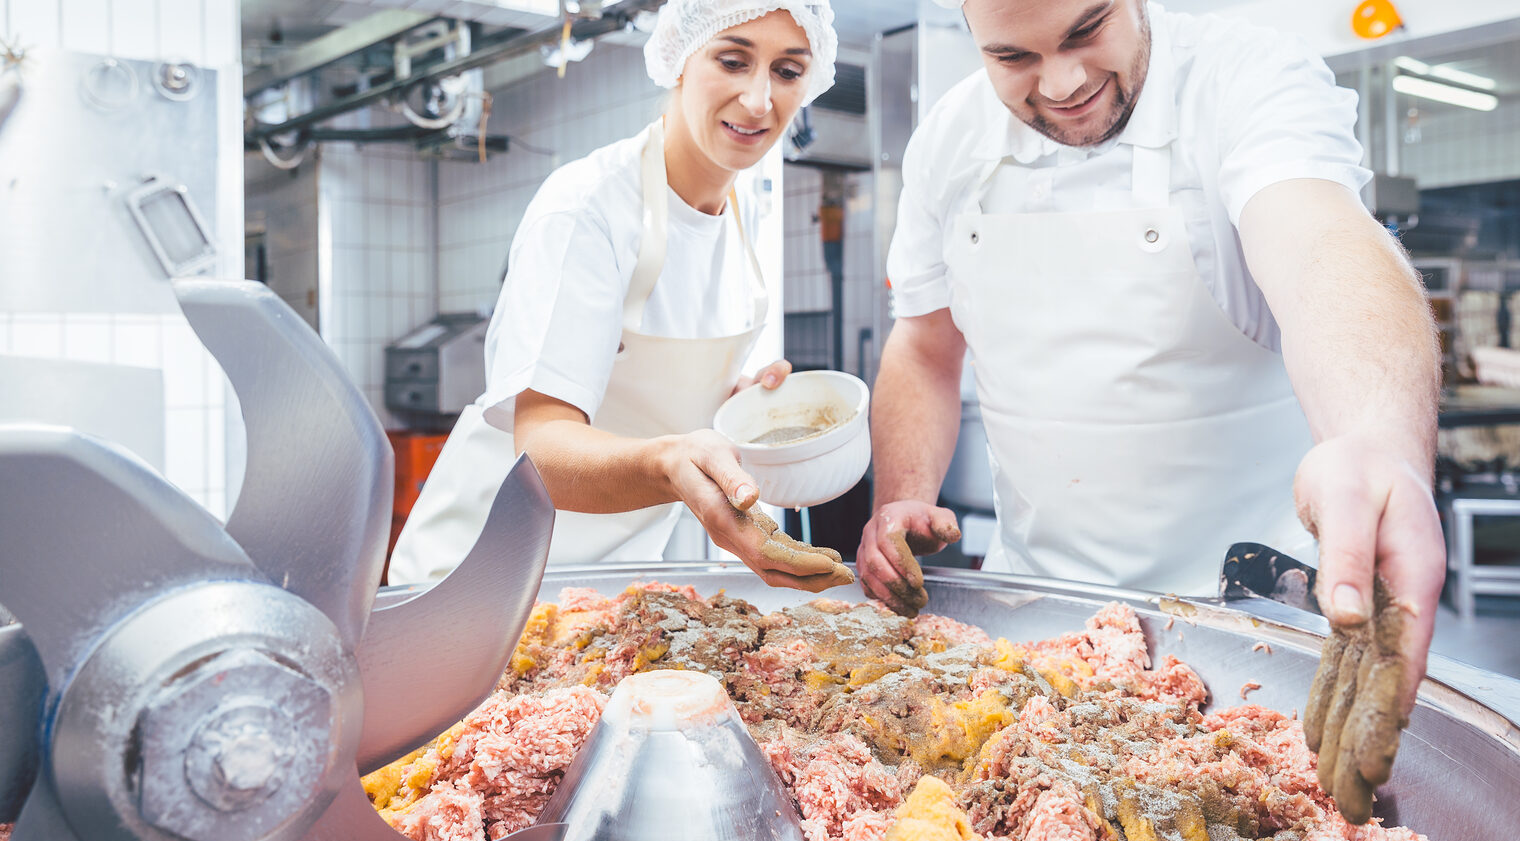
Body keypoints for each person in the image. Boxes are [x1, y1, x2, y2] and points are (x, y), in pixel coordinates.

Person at [856, 0, 1444, 719]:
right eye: (1014, 58)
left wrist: (1376, 441)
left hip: (1252, 638)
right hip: (1034, 624)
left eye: (1087, 28)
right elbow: (923, 343)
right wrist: (900, 501)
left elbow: (1323, 244)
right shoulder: (949, 139)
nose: (1064, 82)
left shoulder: (1243, 76)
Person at [390, 0, 851, 593]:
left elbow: (654, 406)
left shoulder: (743, 218)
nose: (761, 100)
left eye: (788, 71)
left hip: (611, 588)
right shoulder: (588, 207)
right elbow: (541, 451)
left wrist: (737, 411)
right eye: (733, 61)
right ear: (681, 59)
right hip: (479, 586)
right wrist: (669, 465)